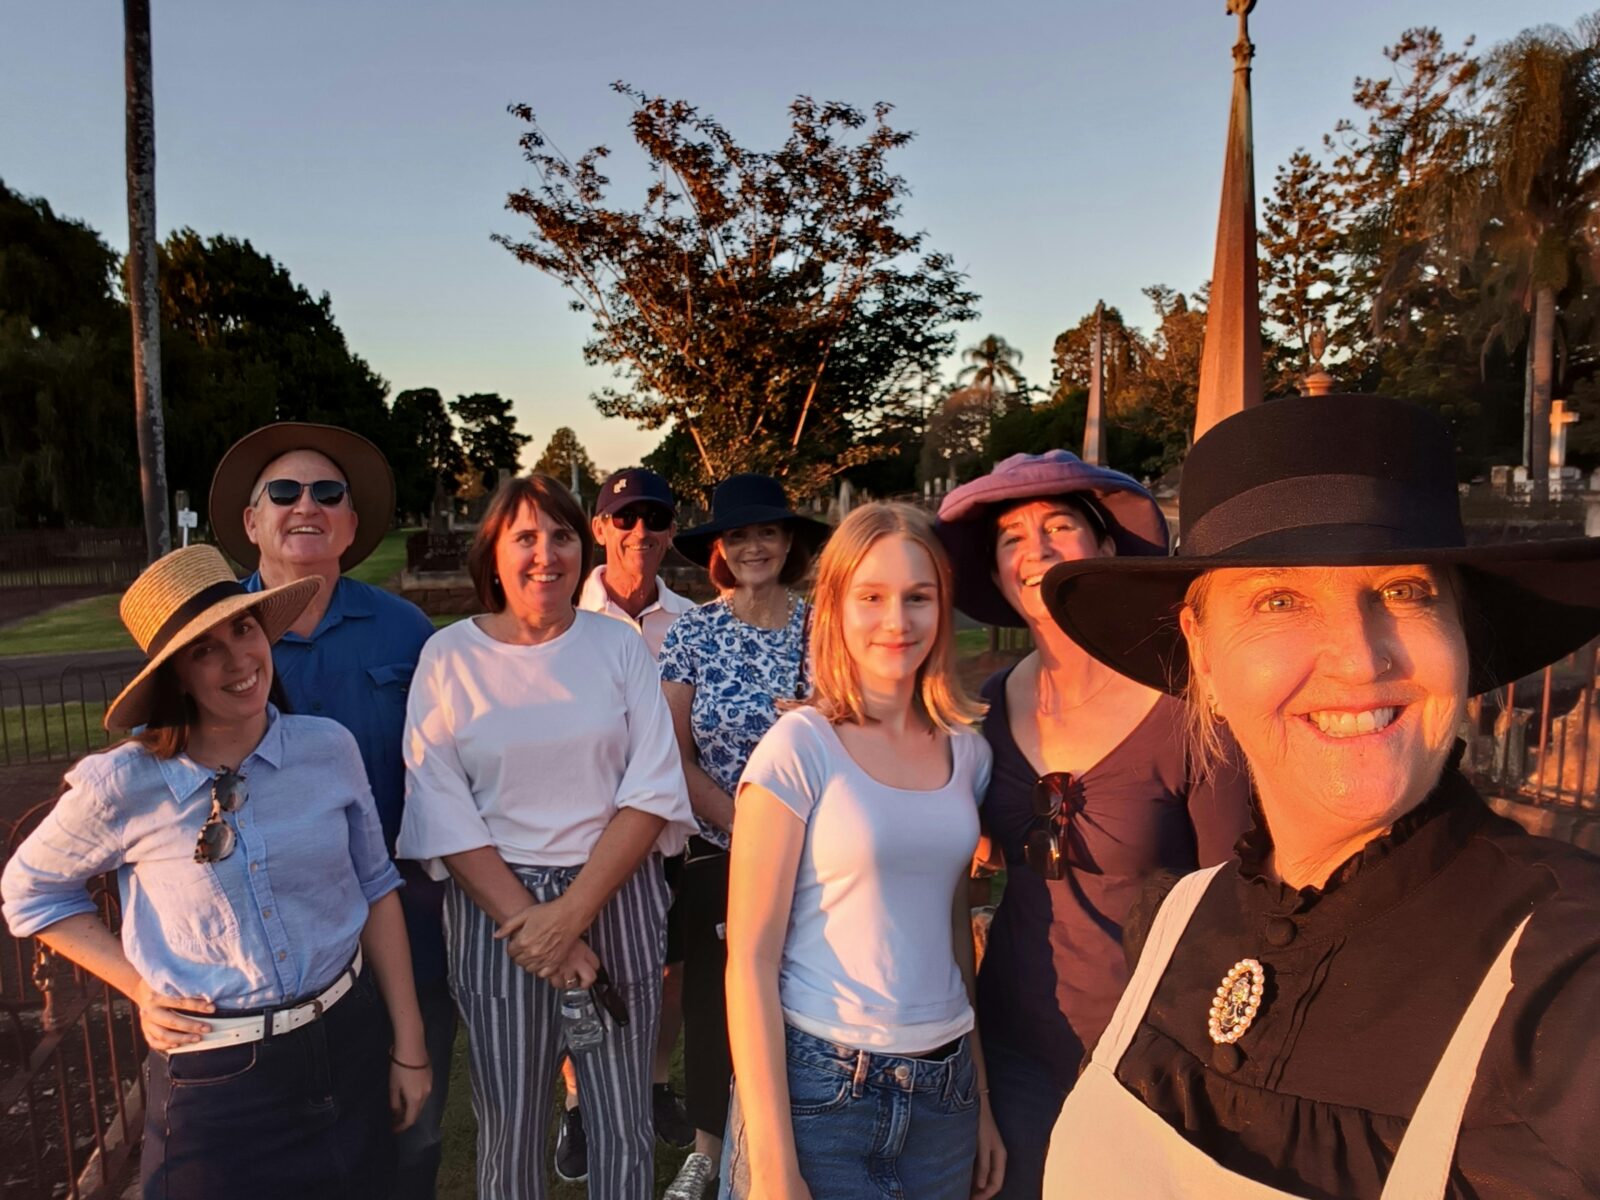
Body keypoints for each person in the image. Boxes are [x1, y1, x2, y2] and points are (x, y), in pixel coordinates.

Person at [1037, 393, 1600, 1197]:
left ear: (1463, 634)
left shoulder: (1566, 980)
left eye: (1405, 591)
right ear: (1201, 653)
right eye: (1279, 599)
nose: (1361, 661)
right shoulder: (1175, 920)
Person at [1, 545, 430, 1200]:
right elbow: (28, 892)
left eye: (244, 628)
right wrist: (139, 986)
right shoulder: (125, 783)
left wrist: (410, 1045)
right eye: (205, 649)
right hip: (217, 1078)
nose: (239, 660)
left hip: (348, 1047)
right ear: (175, 675)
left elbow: (376, 889)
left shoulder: (328, 748)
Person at [934, 451, 1253, 1197]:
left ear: (1106, 549)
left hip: (1152, 1055)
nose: (1035, 550)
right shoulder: (987, 708)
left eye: (1059, 526)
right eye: (1012, 537)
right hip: (1015, 1046)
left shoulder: (1186, 710)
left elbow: (1234, 904)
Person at [396, 474, 696, 1200]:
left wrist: (570, 916)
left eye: (560, 535)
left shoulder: (618, 649)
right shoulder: (449, 658)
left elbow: (652, 787)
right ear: (493, 553)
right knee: (510, 1120)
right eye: (524, 537)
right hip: (498, 908)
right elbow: (441, 804)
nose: (545, 554)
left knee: (622, 1120)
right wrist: (531, 919)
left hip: (614, 893)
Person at [723, 502, 1006, 1200]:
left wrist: (985, 1108)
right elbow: (749, 962)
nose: (895, 622)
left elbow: (947, 929)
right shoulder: (800, 749)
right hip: (824, 1089)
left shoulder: (966, 753)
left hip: (945, 1093)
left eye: (918, 598)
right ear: (835, 607)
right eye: (871, 597)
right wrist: (771, 1163)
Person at [208, 422, 450, 1200]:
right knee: (277, 1153)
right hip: (263, 944)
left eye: (327, 494)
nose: (305, 506)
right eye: (283, 492)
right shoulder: (207, 639)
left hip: (402, 920)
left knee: (412, 1127)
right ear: (251, 522)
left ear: (350, 523)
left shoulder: (407, 632)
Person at [656, 473, 829, 1199]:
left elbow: (864, 722)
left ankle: (806, 1133)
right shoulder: (692, 633)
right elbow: (673, 752)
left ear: (787, 542)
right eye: (739, 535)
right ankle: (708, 1146)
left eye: (767, 532)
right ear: (719, 548)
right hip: (722, 850)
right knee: (715, 997)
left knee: (808, 992)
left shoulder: (824, 625)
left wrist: (824, 715)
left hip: (822, 852)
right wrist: (749, 829)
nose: (753, 546)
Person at [556, 467, 697, 1181]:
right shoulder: (566, 615)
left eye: (657, 518)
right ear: (601, 528)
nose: (642, 532)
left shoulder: (691, 620)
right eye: (627, 518)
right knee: (577, 972)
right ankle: (579, 1102)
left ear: (671, 529)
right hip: (581, 836)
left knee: (668, 971)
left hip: (667, 834)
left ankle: (654, 1080)